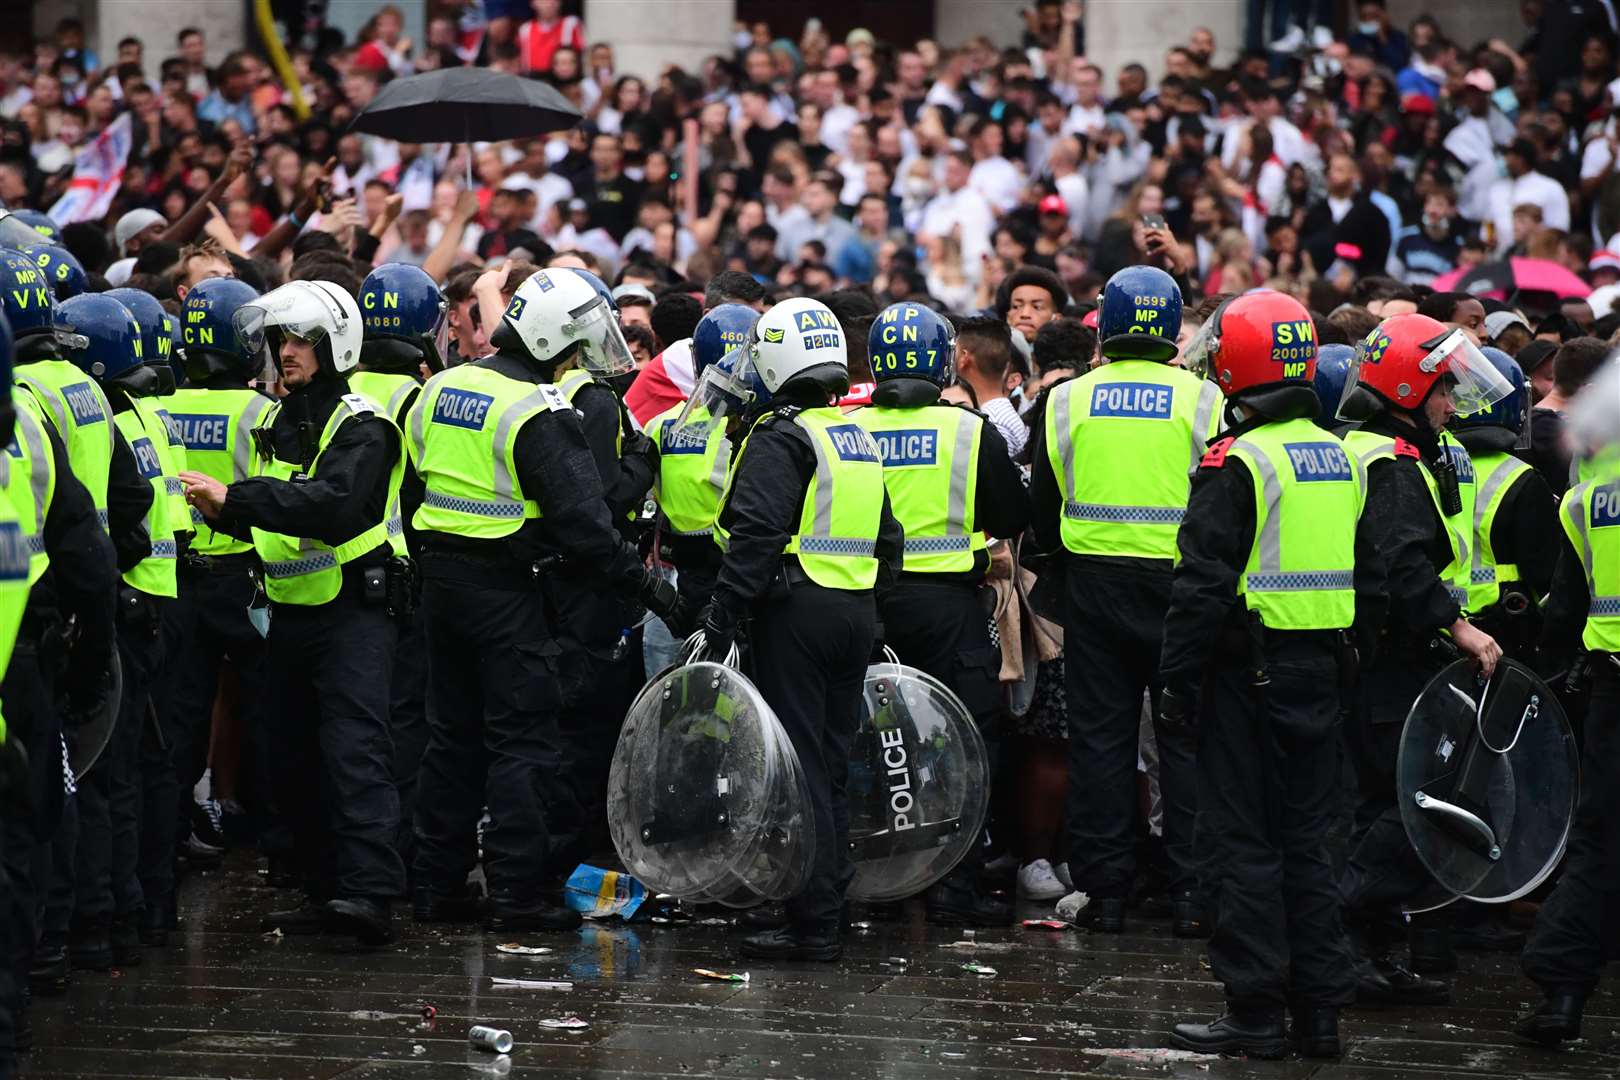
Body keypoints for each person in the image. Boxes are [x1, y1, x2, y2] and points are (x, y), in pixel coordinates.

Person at [404, 267, 687, 933]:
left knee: (449, 740)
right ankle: (517, 894)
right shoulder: (537, 411)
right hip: (508, 593)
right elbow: (587, 529)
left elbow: (414, 485)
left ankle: (437, 884)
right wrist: (654, 593)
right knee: (522, 743)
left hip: (440, 589)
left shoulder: (442, 387)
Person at [1161, 290, 1378, 1060]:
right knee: (1313, 845)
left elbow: (1199, 588)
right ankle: (1319, 1014)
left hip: (1247, 679)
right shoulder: (1340, 454)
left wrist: (1175, 685)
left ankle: (1255, 1011)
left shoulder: (1238, 459)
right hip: (1323, 673)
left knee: (1244, 847)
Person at [180, 279, 409, 947]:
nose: (287, 351)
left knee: (354, 752)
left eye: (302, 338)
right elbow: (272, 515)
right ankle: (322, 889)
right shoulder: (280, 421)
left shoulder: (364, 426)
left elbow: (332, 505)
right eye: (281, 338)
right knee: (292, 754)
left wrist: (237, 501)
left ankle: (368, 896)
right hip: (289, 608)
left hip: (355, 610)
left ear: (335, 344)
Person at [689, 296, 903, 960]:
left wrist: (721, 617)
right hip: (851, 613)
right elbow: (889, 541)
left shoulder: (781, 437)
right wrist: (869, 612)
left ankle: (812, 922)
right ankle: (825, 909)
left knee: (801, 768)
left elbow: (754, 536)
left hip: (796, 614)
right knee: (829, 766)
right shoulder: (853, 433)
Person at [1029, 265, 1223, 936]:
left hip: (1094, 585)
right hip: (1181, 588)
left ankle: (1106, 895)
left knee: (1102, 745)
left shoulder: (1065, 400)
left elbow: (1043, 507)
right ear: (1172, 330)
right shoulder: (1205, 400)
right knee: (1186, 741)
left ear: (1105, 326)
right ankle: (1193, 894)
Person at [1335, 312, 1510, 1005]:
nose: (1450, 403)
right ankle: (1340, 918)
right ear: (1408, 388)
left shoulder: (1390, 452)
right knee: (1412, 806)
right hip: (1392, 659)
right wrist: (1459, 628)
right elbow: (1403, 565)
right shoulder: (1391, 464)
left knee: (1386, 800)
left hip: (1381, 658)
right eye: (1442, 389)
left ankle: (1369, 955)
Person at [853, 301, 1028, 924]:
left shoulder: (849, 428)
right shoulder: (968, 428)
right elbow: (1011, 515)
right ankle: (956, 891)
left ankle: (875, 882)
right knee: (961, 743)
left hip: (865, 605)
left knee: (870, 744)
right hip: (948, 608)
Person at [0, 303, 119, 1065]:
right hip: (19, 704)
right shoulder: (29, 436)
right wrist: (86, 671)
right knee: (18, 865)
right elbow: (91, 565)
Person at [54, 292, 178, 976]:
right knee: (125, 774)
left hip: (80, 612)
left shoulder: (38, 396)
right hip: (140, 603)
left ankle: (88, 927)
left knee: (86, 778)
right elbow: (132, 505)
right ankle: (122, 921)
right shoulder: (109, 405)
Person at [159, 276, 276, 912]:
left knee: (181, 715)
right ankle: (264, 835)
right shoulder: (261, 411)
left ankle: (175, 829)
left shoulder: (164, 402)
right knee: (264, 710)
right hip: (246, 580)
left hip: (181, 577)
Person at [1515, 392, 1620, 1047]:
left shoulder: (1585, 500)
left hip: (1613, 684)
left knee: (1600, 841)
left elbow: (1564, 610)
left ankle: (1563, 994)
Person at [352, 263, 443, 867]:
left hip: (333, 579)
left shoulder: (340, 385)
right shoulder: (418, 396)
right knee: (405, 721)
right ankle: (398, 851)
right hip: (403, 579)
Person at [1450, 349, 1557, 661]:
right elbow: (1544, 571)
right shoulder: (1521, 478)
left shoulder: (1430, 465)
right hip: (1506, 632)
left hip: (1444, 625)